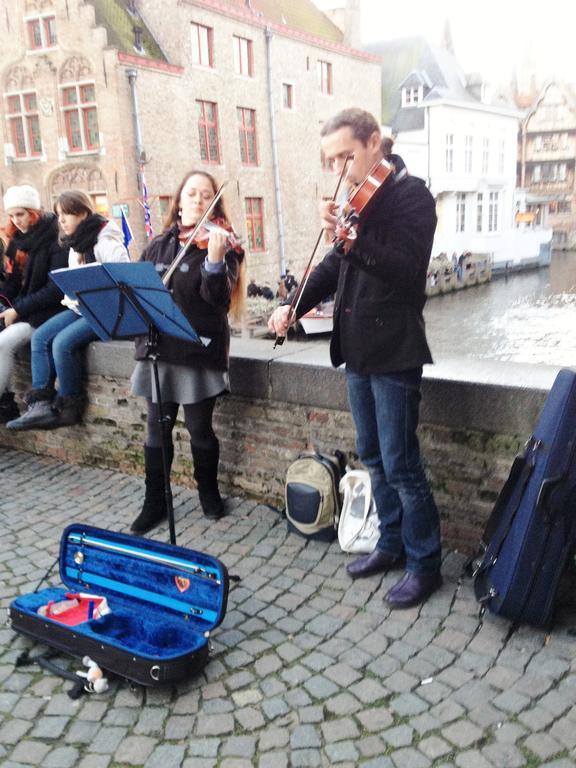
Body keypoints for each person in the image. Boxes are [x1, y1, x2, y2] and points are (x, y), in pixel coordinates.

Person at [268, 108, 442, 609]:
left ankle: (424, 563)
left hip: (395, 348)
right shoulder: (355, 204)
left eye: (347, 155)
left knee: (402, 463)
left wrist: (353, 238)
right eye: (332, 160)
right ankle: (389, 544)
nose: (340, 169)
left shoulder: (412, 197)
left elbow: (407, 272)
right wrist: (293, 305)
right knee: (372, 456)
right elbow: (330, 267)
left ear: (373, 143)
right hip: (358, 348)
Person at [129, 170, 246, 534]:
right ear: (178, 200)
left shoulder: (222, 244)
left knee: (199, 429)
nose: (197, 199)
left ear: (214, 201)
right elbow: (138, 291)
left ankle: (208, 495)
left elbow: (219, 300)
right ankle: (155, 502)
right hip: (159, 349)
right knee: (156, 430)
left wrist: (213, 262)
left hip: (196, 352)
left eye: (205, 194)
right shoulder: (158, 245)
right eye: (191, 193)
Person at [7, 190, 129, 430]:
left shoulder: (106, 242)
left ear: (83, 214)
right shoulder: (74, 244)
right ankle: (40, 405)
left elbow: (124, 282)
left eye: (66, 215)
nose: (60, 220)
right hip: (82, 307)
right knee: (41, 337)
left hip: (108, 311)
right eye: (59, 215)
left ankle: (69, 404)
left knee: (62, 343)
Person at [0, 185, 68, 424]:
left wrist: (18, 310)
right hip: (23, 308)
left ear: (33, 212)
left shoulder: (55, 238)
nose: (15, 221)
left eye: (20, 214)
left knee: (3, 343)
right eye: (11, 215)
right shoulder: (18, 241)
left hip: (47, 312)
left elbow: (54, 289)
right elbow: (13, 282)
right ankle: (5, 402)